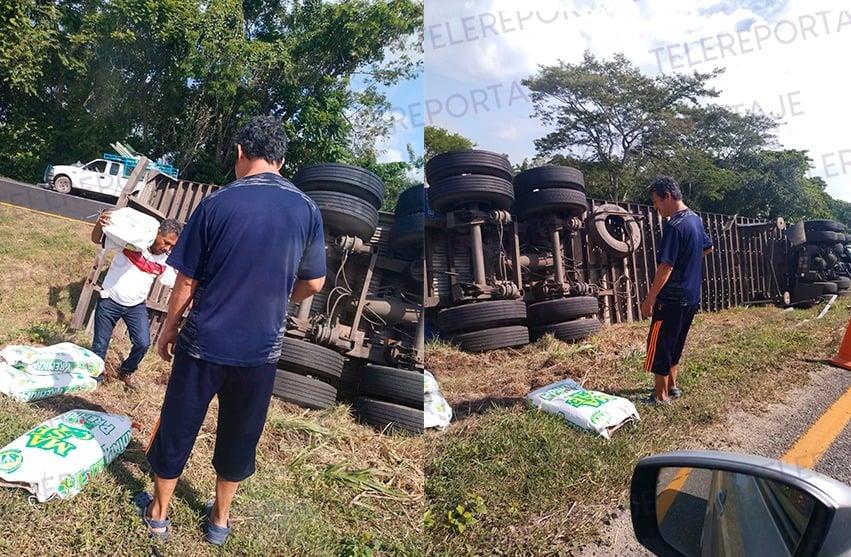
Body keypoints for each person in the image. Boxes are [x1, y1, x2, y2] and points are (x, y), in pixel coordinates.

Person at [136, 115, 327, 545]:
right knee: (241, 433)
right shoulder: (307, 209)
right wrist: (277, 295)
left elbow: (186, 280)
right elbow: (314, 282)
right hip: (261, 350)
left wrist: (168, 329)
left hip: (204, 342)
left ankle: (159, 514)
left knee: (179, 425)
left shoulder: (218, 203)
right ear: (281, 158)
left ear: (242, 153)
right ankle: (219, 521)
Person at [641, 176, 714, 404]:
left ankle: (660, 395)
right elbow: (708, 248)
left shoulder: (674, 225)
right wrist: (688, 262)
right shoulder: (695, 220)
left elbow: (666, 266)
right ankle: (672, 386)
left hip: (671, 298)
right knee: (676, 341)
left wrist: (650, 298)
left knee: (660, 343)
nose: (656, 207)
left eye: (657, 202)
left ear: (668, 196)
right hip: (691, 297)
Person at [90, 213, 181, 390]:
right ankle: (96, 377)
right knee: (100, 344)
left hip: (136, 306)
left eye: (172, 245)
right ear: (157, 233)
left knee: (143, 343)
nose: (167, 248)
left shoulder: (166, 261)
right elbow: (96, 239)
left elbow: (173, 284)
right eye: (166, 241)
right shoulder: (130, 241)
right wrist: (99, 224)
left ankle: (126, 370)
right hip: (110, 299)